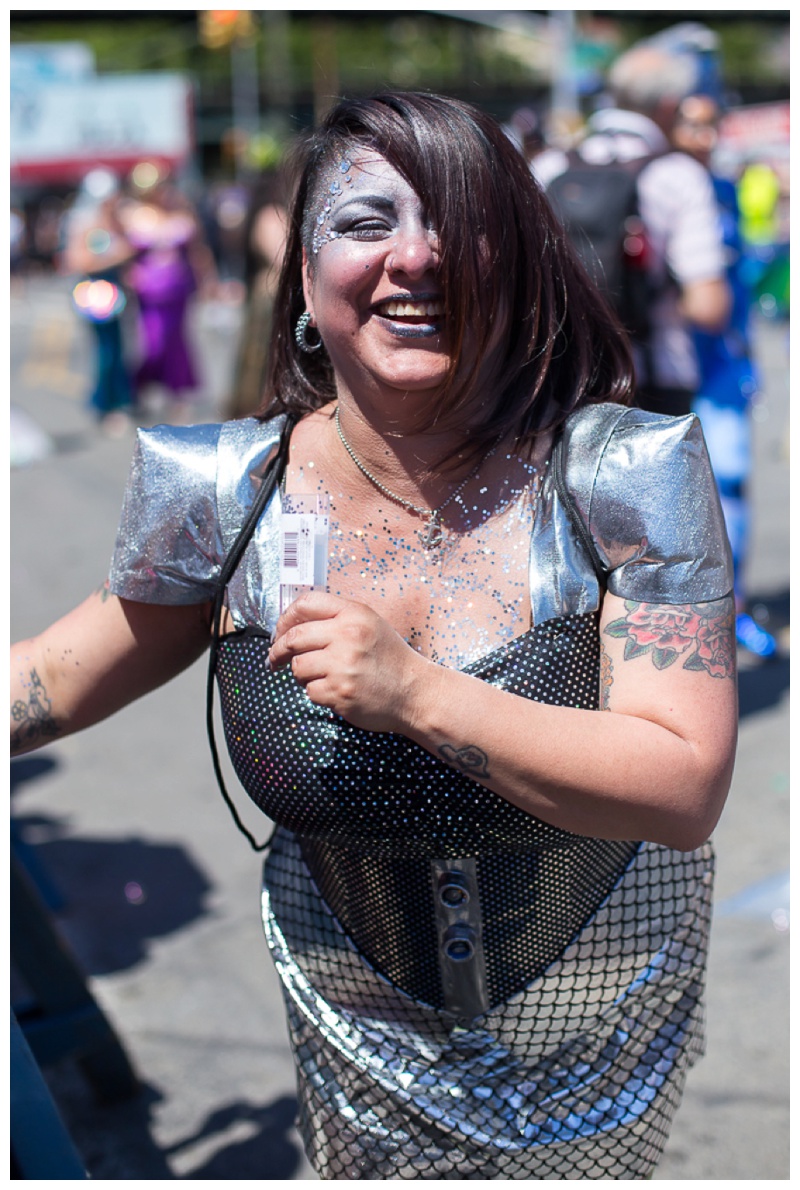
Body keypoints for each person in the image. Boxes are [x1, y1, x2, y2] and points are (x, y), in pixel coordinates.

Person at [11, 92, 737, 1179]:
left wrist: (414, 694)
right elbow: (47, 682)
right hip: (350, 1021)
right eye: (363, 222)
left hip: (590, 1019)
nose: (416, 256)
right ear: (303, 274)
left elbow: (681, 784)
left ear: (519, 264)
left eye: (460, 220)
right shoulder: (224, 497)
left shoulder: (619, 478)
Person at [534, 39, 731, 419]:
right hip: (654, 375)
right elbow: (708, 306)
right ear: (670, 105)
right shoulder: (678, 175)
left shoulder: (551, 165)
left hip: (563, 375)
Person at [672, 94, 778, 660]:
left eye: (712, 123)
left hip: (723, 365)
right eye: (693, 122)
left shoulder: (729, 190)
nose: (704, 135)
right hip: (664, 369)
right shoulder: (655, 184)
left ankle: (729, 606)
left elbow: (744, 280)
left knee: (731, 479)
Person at [119, 168, 216, 422]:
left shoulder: (180, 213)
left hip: (178, 290)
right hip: (149, 292)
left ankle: (178, 395)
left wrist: (209, 281)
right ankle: (139, 387)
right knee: (155, 344)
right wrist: (127, 274)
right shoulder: (133, 216)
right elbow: (121, 251)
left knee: (177, 342)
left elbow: (197, 251)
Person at [59, 168, 136, 436]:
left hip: (115, 290)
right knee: (107, 351)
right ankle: (107, 404)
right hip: (95, 293)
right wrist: (119, 257)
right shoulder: (83, 223)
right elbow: (78, 261)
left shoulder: (115, 221)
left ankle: (120, 400)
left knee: (119, 347)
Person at [225, 166, 289, 419]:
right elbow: (282, 259)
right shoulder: (270, 215)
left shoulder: (267, 214)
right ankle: (259, 408)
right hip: (270, 297)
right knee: (262, 358)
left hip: (268, 295)